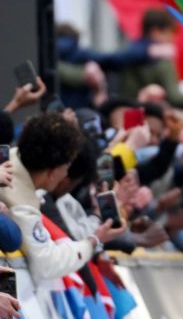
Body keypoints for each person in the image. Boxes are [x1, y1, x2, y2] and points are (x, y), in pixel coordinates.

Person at [1, 113, 122, 282]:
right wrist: (95, 240)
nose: (66, 174)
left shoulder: (9, 156)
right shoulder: (20, 206)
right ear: (53, 172)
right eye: (67, 167)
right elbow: (47, 264)